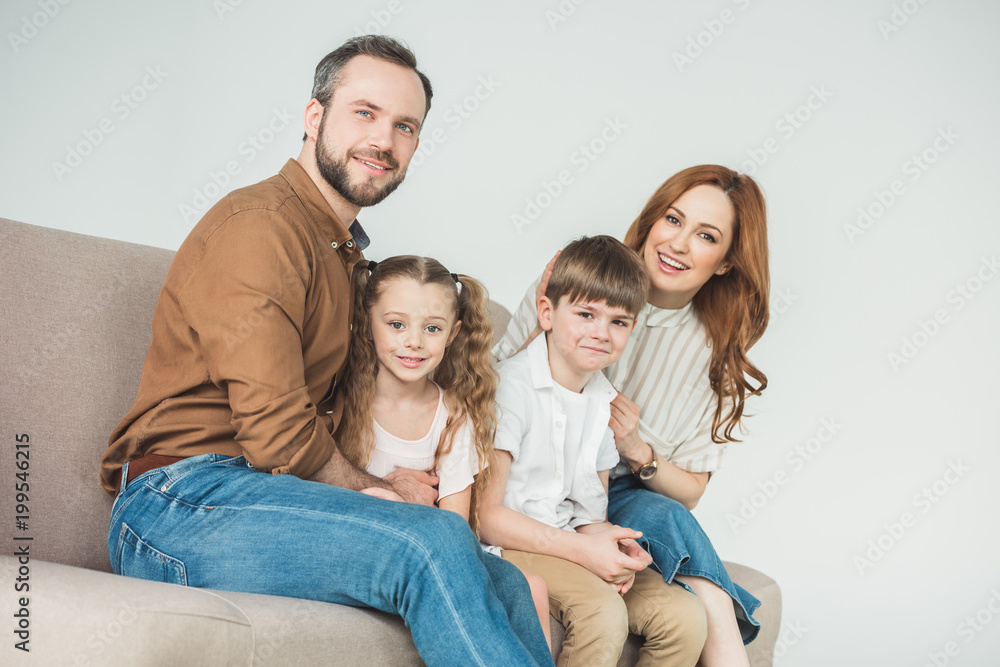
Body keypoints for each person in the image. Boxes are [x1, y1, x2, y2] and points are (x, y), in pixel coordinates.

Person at [99, 35, 552, 666]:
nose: (383, 140)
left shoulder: (344, 257)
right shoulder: (261, 227)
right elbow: (279, 434)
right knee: (428, 543)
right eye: (364, 113)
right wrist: (377, 493)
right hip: (178, 505)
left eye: (405, 127)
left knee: (502, 581)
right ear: (315, 118)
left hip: (263, 498)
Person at [495, 165, 769, 666]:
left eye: (705, 236)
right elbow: (496, 380)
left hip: (620, 493)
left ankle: (714, 619)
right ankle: (727, 634)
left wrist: (638, 451)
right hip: (534, 476)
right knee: (662, 539)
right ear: (651, 222)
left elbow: (692, 491)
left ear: (726, 262)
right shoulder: (575, 283)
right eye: (673, 219)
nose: (679, 244)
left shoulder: (714, 351)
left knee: (664, 514)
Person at [480, 235, 710, 667]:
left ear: (631, 329)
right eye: (586, 314)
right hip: (511, 547)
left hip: (569, 541)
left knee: (685, 617)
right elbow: (487, 518)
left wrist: (614, 549)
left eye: (619, 322)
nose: (601, 333)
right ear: (547, 313)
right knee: (602, 614)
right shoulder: (508, 389)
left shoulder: (603, 402)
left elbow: (591, 516)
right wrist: (585, 553)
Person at [336, 255, 552, 645]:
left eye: (431, 328)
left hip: (433, 551)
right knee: (376, 494)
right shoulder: (343, 401)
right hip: (367, 549)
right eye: (396, 324)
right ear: (368, 322)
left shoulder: (453, 414)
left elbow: (454, 527)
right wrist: (389, 496)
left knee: (531, 587)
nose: (414, 341)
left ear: (452, 335)